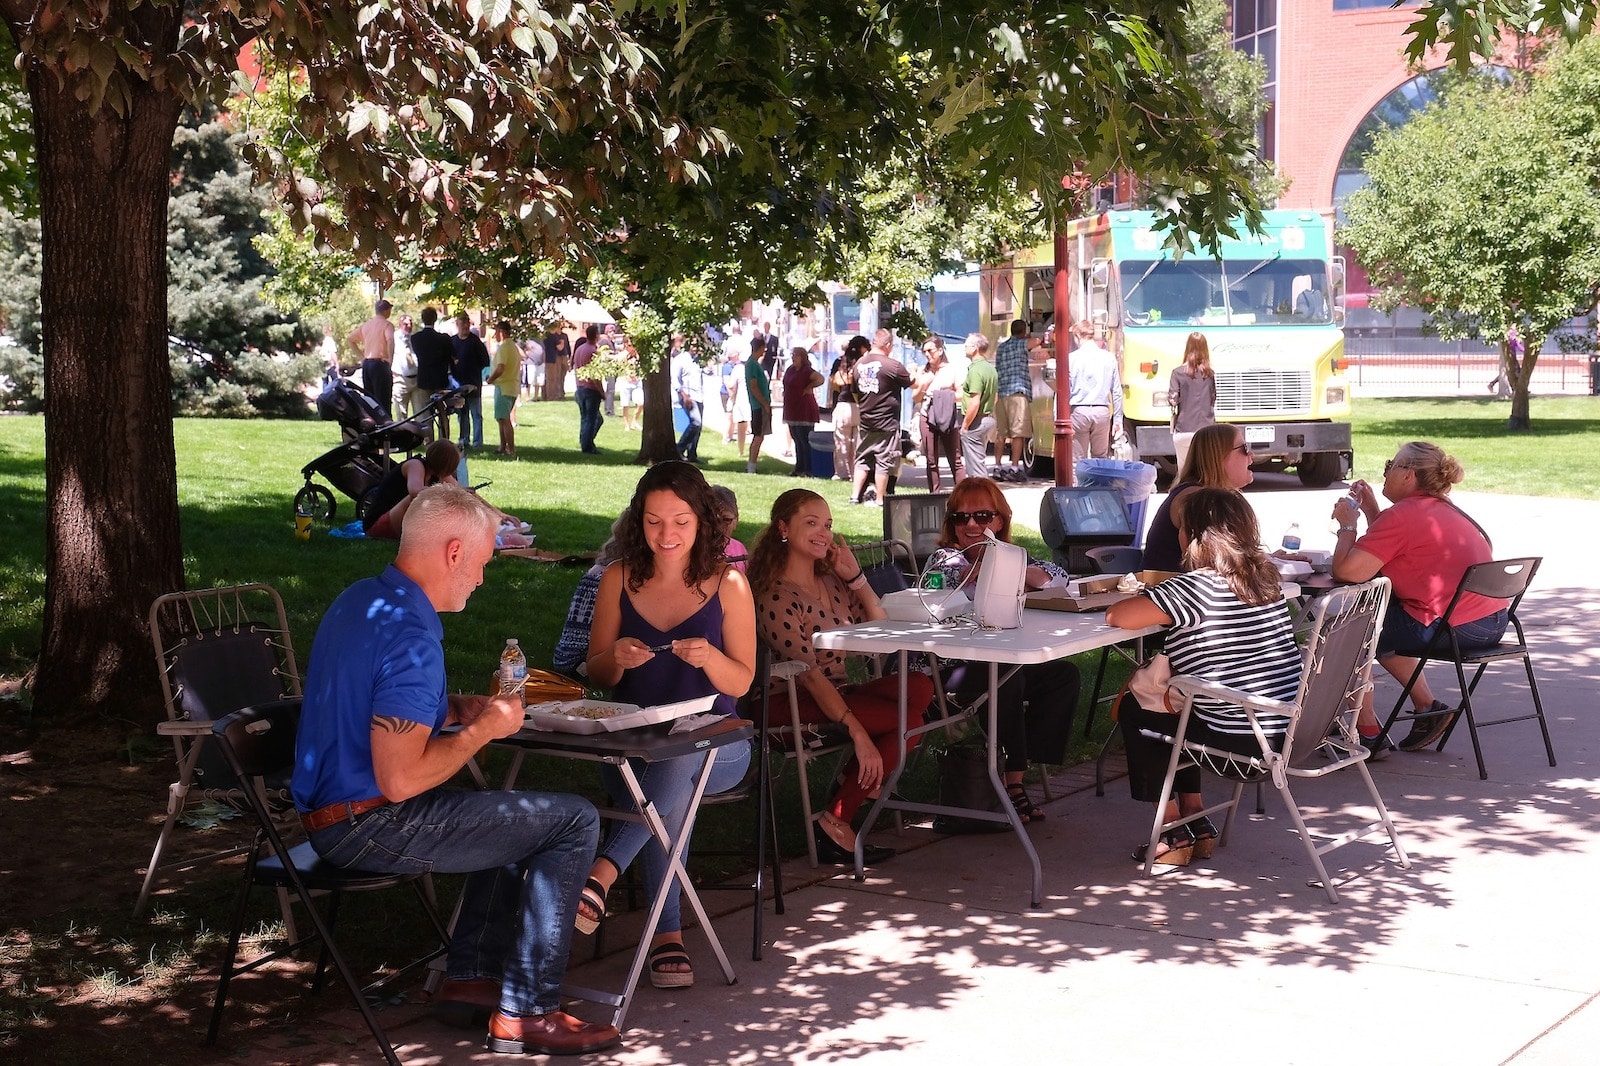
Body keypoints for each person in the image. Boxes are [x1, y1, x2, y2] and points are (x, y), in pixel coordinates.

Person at [292, 483, 619, 1056]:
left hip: (329, 812)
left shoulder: (362, 601)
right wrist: (481, 731)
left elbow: (367, 702)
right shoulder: (414, 639)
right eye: (484, 562)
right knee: (573, 821)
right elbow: (401, 780)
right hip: (367, 825)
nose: (482, 578)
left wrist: (451, 709)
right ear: (452, 552)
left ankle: (470, 979)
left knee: (514, 811)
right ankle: (529, 1012)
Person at [578, 462, 757, 989]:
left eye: (679, 521)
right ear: (640, 521)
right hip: (635, 741)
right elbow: (598, 672)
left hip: (719, 742)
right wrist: (617, 656)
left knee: (678, 759)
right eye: (654, 521)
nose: (667, 535)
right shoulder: (618, 576)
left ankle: (605, 874)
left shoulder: (729, 583)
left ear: (700, 519)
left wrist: (708, 659)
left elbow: (742, 681)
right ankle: (665, 936)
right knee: (665, 782)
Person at [1106, 487, 1303, 867]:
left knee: (1137, 709)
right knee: (1182, 708)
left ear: (1193, 536)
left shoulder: (1192, 588)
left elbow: (1118, 616)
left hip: (1241, 742)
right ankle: (1196, 819)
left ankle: (1171, 831)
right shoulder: (1267, 581)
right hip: (1286, 729)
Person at [748, 488, 934, 865]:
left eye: (828, 525)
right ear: (783, 528)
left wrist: (856, 578)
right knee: (908, 721)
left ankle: (850, 788)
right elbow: (809, 675)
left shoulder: (830, 581)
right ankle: (837, 819)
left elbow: (879, 633)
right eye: (811, 523)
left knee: (920, 686)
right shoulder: (774, 596)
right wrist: (858, 733)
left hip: (835, 693)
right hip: (788, 703)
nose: (824, 533)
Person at [1331, 441, 1506, 757]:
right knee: (1383, 625)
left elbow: (1348, 572)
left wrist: (1347, 525)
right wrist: (1373, 512)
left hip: (1452, 625)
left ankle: (1367, 732)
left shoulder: (1402, 517)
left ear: (1408, 475)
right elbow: (1399, 547)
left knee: (1349, 628)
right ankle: (1427, 709)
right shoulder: (1446, 509)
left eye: (1390, 465)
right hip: (1493, 620)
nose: (1385, 472)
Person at [930, 478, 1079, 822]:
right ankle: (1010, 782)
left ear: (1000, 521)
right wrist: (1004, 570)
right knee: (1006, 677)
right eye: (960, 517)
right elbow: (955, 576)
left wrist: (1021, 570)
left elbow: (1059, 576)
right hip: (947, 669)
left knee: (1063, 676)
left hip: (997, 659)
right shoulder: (944, 558)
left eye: (982, 516)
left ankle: (1017, 773)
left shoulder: (1013, 557)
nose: (970, 525)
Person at [1142, 423, 1254, 573]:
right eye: (1245, 449)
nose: (1251, 456)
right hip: (1173, 593)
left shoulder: (1195, 493)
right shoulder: (1197, 499)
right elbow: (1214, 566)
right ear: (1219, 456)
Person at [849, 328, 913, 506]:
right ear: (888, 345)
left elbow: (855, 393)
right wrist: (915, 371)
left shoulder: (859, 364)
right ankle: (880, 499)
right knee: (883, 461)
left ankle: (855, 497)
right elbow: (909, 382)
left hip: (866, 421)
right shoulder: (893, 365)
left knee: (862, 459)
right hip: (887, 422)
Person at [914, 336, 964, 493]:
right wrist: (924, 384)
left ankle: (962, 493)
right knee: (931, 459)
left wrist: (942, 396)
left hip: (947, 415)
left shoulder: (953, 369)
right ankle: (934, 493)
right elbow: (915, 398)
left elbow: (962, 394)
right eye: (924, 352)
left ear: (940, 350)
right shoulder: (923, 371)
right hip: (927, 415)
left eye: (930, 351)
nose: (927, 355)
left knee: (955, 458)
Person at [1067, 319, 1123, 460]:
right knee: (1100, 458)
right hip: (1102, 411)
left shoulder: (1071, 359)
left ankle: (1078, 483)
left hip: (1079, 411)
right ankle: (1098, 482)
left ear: (1078, 336)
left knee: (1077, 460)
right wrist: (1117, 419)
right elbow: (1116, 391)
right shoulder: (1109, 358)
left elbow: (1065, 389)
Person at [1167, 331, 1216, 474]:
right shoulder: (1210, 374)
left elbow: (1173, 400)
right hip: (1207, 432)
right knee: (1206, 472)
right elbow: (1213, 399)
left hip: (1184, 429)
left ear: (1187, 348)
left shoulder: (1177, 373)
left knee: (1184, 473)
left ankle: (1185, 495)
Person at [993, 319, 1032, 482]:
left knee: (1001, 433)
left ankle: (997, 466)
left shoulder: (1002, 348)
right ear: (1023, 331)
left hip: (1002, 393)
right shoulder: (1021, 344)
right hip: (1017, 392)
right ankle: (1014, 468)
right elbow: (1036, 342)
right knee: (1018, 433)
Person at [411, 307, 455, 443]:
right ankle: (444, 441)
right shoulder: (444, 339)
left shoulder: (415, 338)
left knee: (426, 414)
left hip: (424, 380)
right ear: (435, 319)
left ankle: (428, 442)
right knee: (442, 413)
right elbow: (452, 357)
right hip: (440, 380)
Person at [347, 299, 396, 420]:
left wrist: (362, 357)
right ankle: (386, 425)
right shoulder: (387, 325)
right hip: (380, 363)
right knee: (383, 398)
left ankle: (371, 423)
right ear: (386, 310)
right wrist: (390, 359)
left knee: (369, 399)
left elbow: (350, 339)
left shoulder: (367, 325)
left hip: (367, 364)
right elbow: (390, 340)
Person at [960, 332, 998, 481]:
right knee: (979, 461)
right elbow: (995, 397)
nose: (964, 347)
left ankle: (982, 497)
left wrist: (965, 425)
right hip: (987, 419)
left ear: (975, 348)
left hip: (976, 421)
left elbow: (974, 401)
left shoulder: (975, 370)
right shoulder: (990, 368)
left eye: (967, 345)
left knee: (975, 468)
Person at [828, 335, 867, 480]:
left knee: (841, 443)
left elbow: (833, 383)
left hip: (843, 405)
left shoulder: (839, 362)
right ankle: (856, 474)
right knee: (858, 444)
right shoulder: (864, 364)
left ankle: (842, 474)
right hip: (860, 406)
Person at [781, 346, 823, 477]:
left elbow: (820, 379)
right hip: (792, 408)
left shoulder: (806, 371)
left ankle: (808, 469)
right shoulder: (790, 370)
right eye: (793, 354)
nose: (794, 357)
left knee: (804, 439)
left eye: (797, 355)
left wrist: (809, 387)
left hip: (804, 408)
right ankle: (798, 468)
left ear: (803, 357)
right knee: (796, 439)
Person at [451, 312, 490, 450]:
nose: (466, 326)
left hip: (473, 384)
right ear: (457, 324)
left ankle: (478, 442)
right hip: (458, 385)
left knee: (476, 414)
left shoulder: (475, 341)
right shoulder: (453, 341)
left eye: (467, 322)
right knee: (462, 414)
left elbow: (485, 360)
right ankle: (464, 439)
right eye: (463, 323)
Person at [486, 321, 522, 456]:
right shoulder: (513, 347)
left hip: (503, 387)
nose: (495, 334)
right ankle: (502, 446)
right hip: (511, 386)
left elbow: (500, 368)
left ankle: (510, 448)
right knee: (501, 418)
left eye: (496, 331)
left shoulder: (504, 348)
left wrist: (491, 378)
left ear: (501, 332)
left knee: (504, 419)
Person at [671, 335, 704, 462]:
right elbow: (675, 380)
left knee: (698, 427)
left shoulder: (698, 360)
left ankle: (692, 454)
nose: (695, 348)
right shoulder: (680, 359)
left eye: (697, 346)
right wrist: (684, 396)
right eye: (693, 345)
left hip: (699, 396)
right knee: (696, 422)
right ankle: (679, 449)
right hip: (688, 396)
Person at [573, 324, 605, 455]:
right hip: (591, 389)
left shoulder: (580, 349)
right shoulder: (593, 351)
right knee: (591, 419)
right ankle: (587, 446)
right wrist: (602, 392)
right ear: (596, 335)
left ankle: (585, 442)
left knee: (585, 418)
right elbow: (595, 375)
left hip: (580, 388)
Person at [744, 338, 772, 474]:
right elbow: (754, 386)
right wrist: (765, 403)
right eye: (764, 348)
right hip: (758, 406)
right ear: (760, 348)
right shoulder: (752, 364)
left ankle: (752, 464)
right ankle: (751, 466)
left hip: (758, 405)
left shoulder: (754, 363)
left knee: (759, 435)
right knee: (758, 436)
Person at [710, 484, 748, 571]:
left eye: (726, 520)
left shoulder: (739, 548)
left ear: (737, 520)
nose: (719, 526)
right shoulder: (694, 549)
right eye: (713, 519)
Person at [392, 312, 418, 421]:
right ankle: (403, 437)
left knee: (420, 413)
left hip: (416, 380)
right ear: (400, 324)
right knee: (401, 414)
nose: (409, 326)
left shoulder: (415, 338)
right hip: (401, 379)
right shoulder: (394, 338)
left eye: (410, 324)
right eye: (405, 324)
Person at [620, 338, 644, 431]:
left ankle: (634, 421)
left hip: (636, 381)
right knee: (625, 404)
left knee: (641, 403)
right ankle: (627, 424)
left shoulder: (637, 354)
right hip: (626, 382)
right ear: (625, 345)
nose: (632, 347)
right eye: (629, 345)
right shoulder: (623, 355)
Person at [542, 328, 570, 402]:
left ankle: (545, 395)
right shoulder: (553, 336)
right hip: (553, 359)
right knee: (553, 379)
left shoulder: (545, 336)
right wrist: (562, 342)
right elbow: (560, 348)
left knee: (548, 378)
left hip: (547, 359)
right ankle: (552, 396)